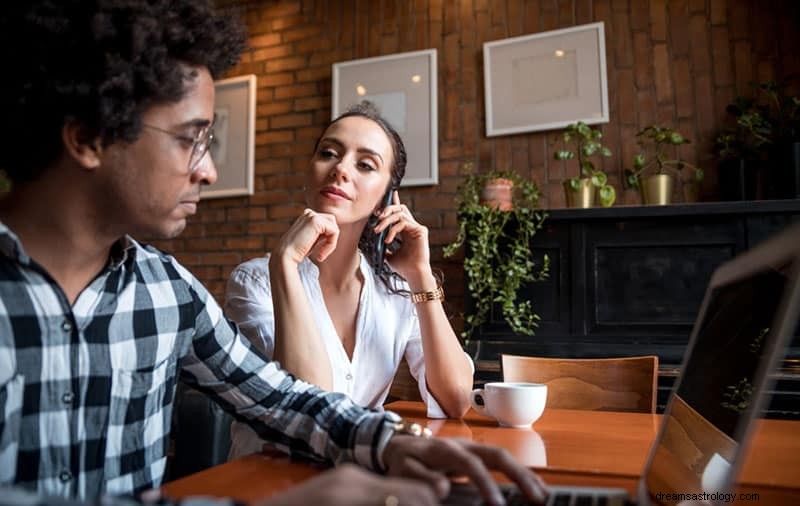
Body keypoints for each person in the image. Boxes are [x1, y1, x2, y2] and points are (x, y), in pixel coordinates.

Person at [0, 2, 548, 506]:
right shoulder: (241, 279)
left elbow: (281, 400)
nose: (208, 171)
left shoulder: (166, 290)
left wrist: (395, 443)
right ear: (90, 138)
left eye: (366, 164)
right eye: (191, 139)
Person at [225, 102, 474, 458]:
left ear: (385, 198)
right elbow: (309, 410)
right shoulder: (256, 281)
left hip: (359, 483)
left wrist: (420, 275)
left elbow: (457, 400)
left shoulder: (396, 290)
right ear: (309, 174)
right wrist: (285, 263)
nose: (340, 169)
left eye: (365, 164)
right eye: (329, 153)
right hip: (269, 481)